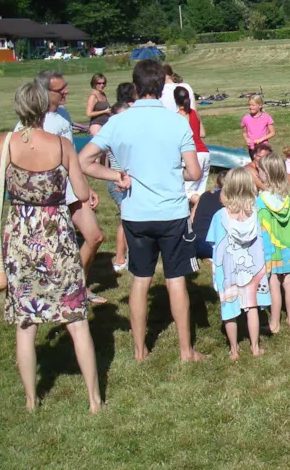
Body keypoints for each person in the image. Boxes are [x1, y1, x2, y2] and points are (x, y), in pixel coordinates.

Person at [79, 58, 205, 363]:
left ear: (135, 87)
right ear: (162, 86)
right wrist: (173, 173)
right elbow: (193, 170)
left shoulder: (118, 121)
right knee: (176, 280)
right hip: (172, 213)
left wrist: (115, 175)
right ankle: (186, 351)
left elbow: (84, 161)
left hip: (136, 214)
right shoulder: (177, 121)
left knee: (140, 279)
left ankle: (139, 350)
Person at [0, 82, 111, 413]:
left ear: (19, 107)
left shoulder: (2, 144)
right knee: (76, 319)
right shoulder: (63, 146)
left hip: (19, 237)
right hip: (56, 236)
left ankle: (32, 400)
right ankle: (94, 399)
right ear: (44, 107)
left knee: (26, 323)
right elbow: (79, 189)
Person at [25, 71, 106, 305]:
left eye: (65, 87)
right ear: (44, 92)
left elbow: (71, 158)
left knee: (95, 236)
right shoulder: (33, 121)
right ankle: (56, 291)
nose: (66, 92)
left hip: (72, 188)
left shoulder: (63, 114)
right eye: (60, 90)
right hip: (49, 195)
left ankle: (78, 285)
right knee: (50, 249)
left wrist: (85, 186)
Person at [204, 167, 270, 360]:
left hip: (229, 272)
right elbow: (263, 242)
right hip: (253, 271)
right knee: (252, 308)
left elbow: (214, 243)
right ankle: (255, 347)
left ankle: (233, 350)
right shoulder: (257, 214)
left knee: (229, 309)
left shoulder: (220, 216)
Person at [256, 154, 290, 333]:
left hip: (271, 249)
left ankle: (274, 322)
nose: (258, 173)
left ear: (267, 174)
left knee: (274, 284)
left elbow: (259, 226)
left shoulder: (261, 200)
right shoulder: (289, 198)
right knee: (288, 281)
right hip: (288, 247)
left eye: (260, 170)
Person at [174, 86, 210, 217]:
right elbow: (202, 133)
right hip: (205, 153)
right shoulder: (194, 113)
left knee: (187, 191)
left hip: (193, 154)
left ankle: (209, 206)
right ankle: (198, 218)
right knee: (199, 190)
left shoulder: (177, 117)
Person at [106, 101, 131, 272]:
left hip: (121, 179)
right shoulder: (116, 135)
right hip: (118, 180)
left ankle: (126, 256)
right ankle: (121, 258)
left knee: (129, 219)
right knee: (126, 220)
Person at [190, 168, 226, 260]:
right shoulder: (228, 201)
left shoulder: (204, 195)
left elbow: (192, 218)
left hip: (194, 243)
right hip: (212, 243)